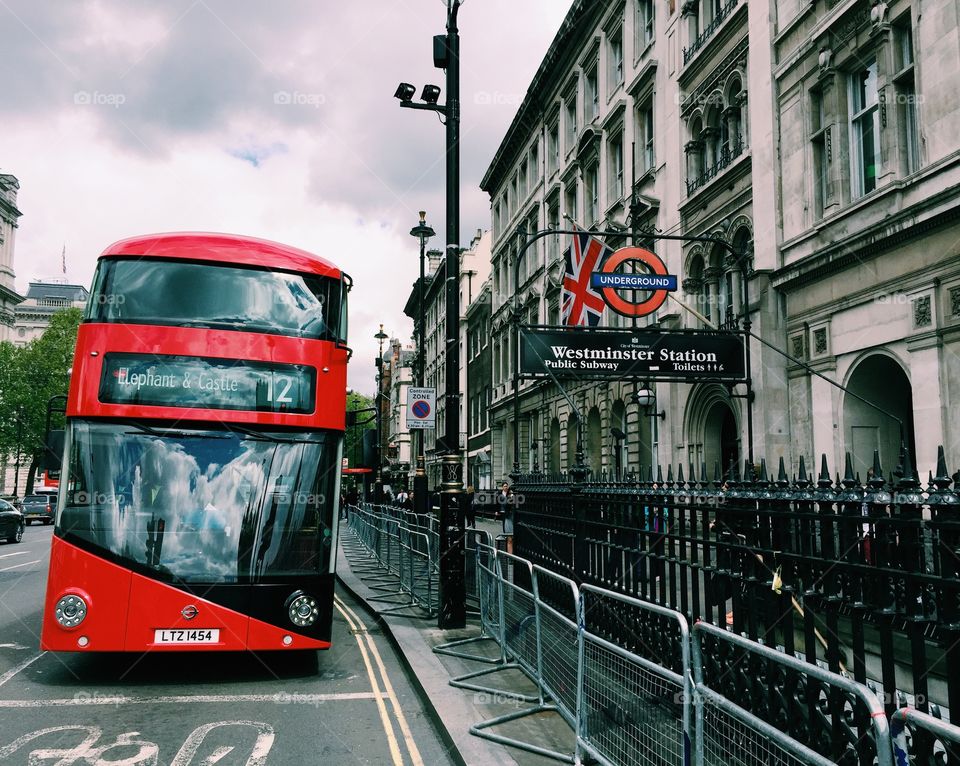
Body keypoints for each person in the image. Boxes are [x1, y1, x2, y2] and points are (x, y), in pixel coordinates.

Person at [495, 482, 514, 553]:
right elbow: (497, 503)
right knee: (505, 527)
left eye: (507, 486)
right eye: (504, 486)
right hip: (502, 511)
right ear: (502, 487)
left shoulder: (510, 494)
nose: (506, 487)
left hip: (507, 513)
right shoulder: (500, 494)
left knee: (508, 531)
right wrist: (497, 511)